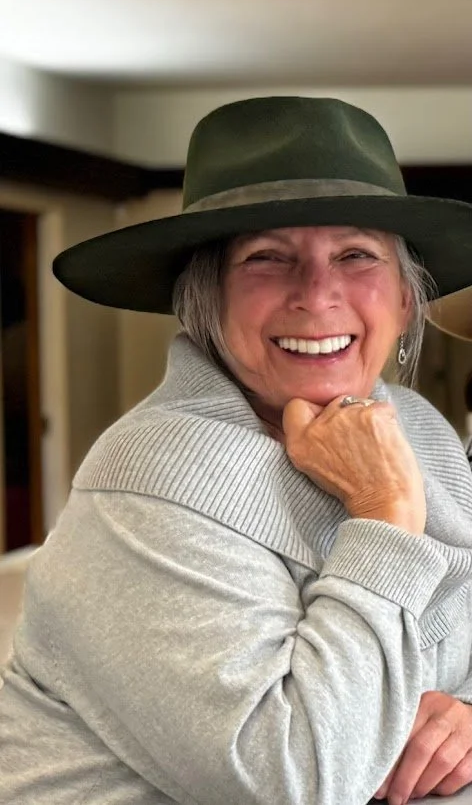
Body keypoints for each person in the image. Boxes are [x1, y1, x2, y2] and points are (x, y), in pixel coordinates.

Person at [1, 96, 472, 805]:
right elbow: (295, 778)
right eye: (267, 258)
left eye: (355, 254)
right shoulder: (149, 481)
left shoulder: (415, 426)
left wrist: (463, 719)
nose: (317, 295)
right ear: (206, 302)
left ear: (406, 301)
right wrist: (385, 516)